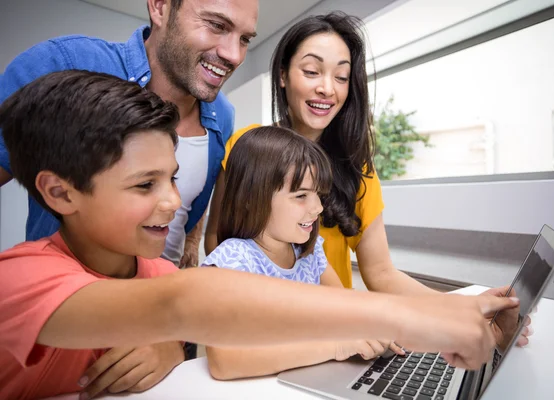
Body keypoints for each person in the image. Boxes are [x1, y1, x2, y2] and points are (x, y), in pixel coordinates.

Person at [0, 71, 518, 400]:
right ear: (60, 192)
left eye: (173, 178)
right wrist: (422, 317)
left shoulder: (152, 270)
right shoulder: (19, 277)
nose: (174, 202)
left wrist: (171, 350)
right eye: (144, 184)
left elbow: (179, 321)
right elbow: (184, 300)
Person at [204, 12, 532, 347]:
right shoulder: (246, 146)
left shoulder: (357, 169)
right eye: (312, 71)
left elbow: (381, 273)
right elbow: (217, 238)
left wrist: (465, 309)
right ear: (284, 75)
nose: (327, 88)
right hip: (262, 335)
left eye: (342, 77)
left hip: (338, 336)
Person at [0, 0, 260, 269]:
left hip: (164, 290)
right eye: (217, 25)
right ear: (160, 7)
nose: (235, 56)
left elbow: (198, 191)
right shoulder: (62, 65)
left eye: (245, 40)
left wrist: (192, 241)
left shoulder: (222, 115)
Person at [202, 126, 407, 380]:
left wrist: (375, 330)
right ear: (251, 197)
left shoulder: (310, 253)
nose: (318, 208)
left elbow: (346, 310)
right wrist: (334, 346)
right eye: (301, 196)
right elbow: (223, 362)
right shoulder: (231, 262)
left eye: (319, 195)